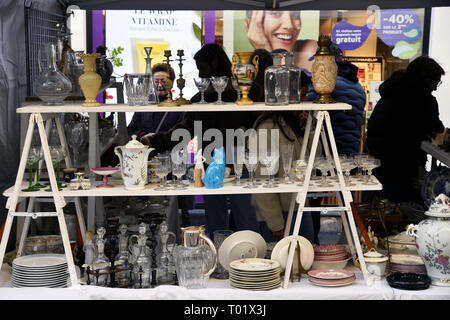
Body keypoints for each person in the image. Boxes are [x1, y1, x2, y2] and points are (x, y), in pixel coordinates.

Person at [142, 44, 272, 239]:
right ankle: (250, 259)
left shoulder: (240, 94)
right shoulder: (248, 93)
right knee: (245, 222)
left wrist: (156, 141)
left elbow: (185, 129)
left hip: (226, 164)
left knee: (220, 222)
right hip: (236, 164)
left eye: (201, 67)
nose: (201, 73)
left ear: (214, 63)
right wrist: (156, 141)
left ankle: (225, 258)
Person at [366, 56, 446, 204]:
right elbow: (437, 128)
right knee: (400, 204)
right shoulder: (423, 98)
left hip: (378, 158)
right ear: (427, 78)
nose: (435, 88)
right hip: (401, 162)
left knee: (383, 202)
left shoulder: (393, 89)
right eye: (436, 82)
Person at [251, 111, 322, 243]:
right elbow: (263, 180)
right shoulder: (267, 128)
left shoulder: (293, 123)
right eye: (303, 94)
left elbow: (314, 158)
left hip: (298, 204)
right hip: (278, 212)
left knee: (305, 257)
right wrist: (276, 223)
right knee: (280, 259)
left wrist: (310, 129)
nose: (305, 99)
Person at [307, 42, 366, 156]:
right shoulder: (358, 86)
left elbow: (307, 103)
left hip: (329, 152)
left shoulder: (325, 84)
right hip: (352, 151)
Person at [244, 10, 318, 74]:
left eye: (295, 15)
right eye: (275, 14)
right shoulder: (247, 66)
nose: (289, 25)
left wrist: (265, 52)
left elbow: (283, 86)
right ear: (252, 22)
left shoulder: (310, 51)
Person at [127, 63, 184, 139]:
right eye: (156, 81)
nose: (160, 85)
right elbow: (130, 130)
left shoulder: (179, 109)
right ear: (151, 83)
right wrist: (142, 135)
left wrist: (160, 139)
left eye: (163, 81)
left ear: (172, 83)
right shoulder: (144, 106)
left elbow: (182, 135)